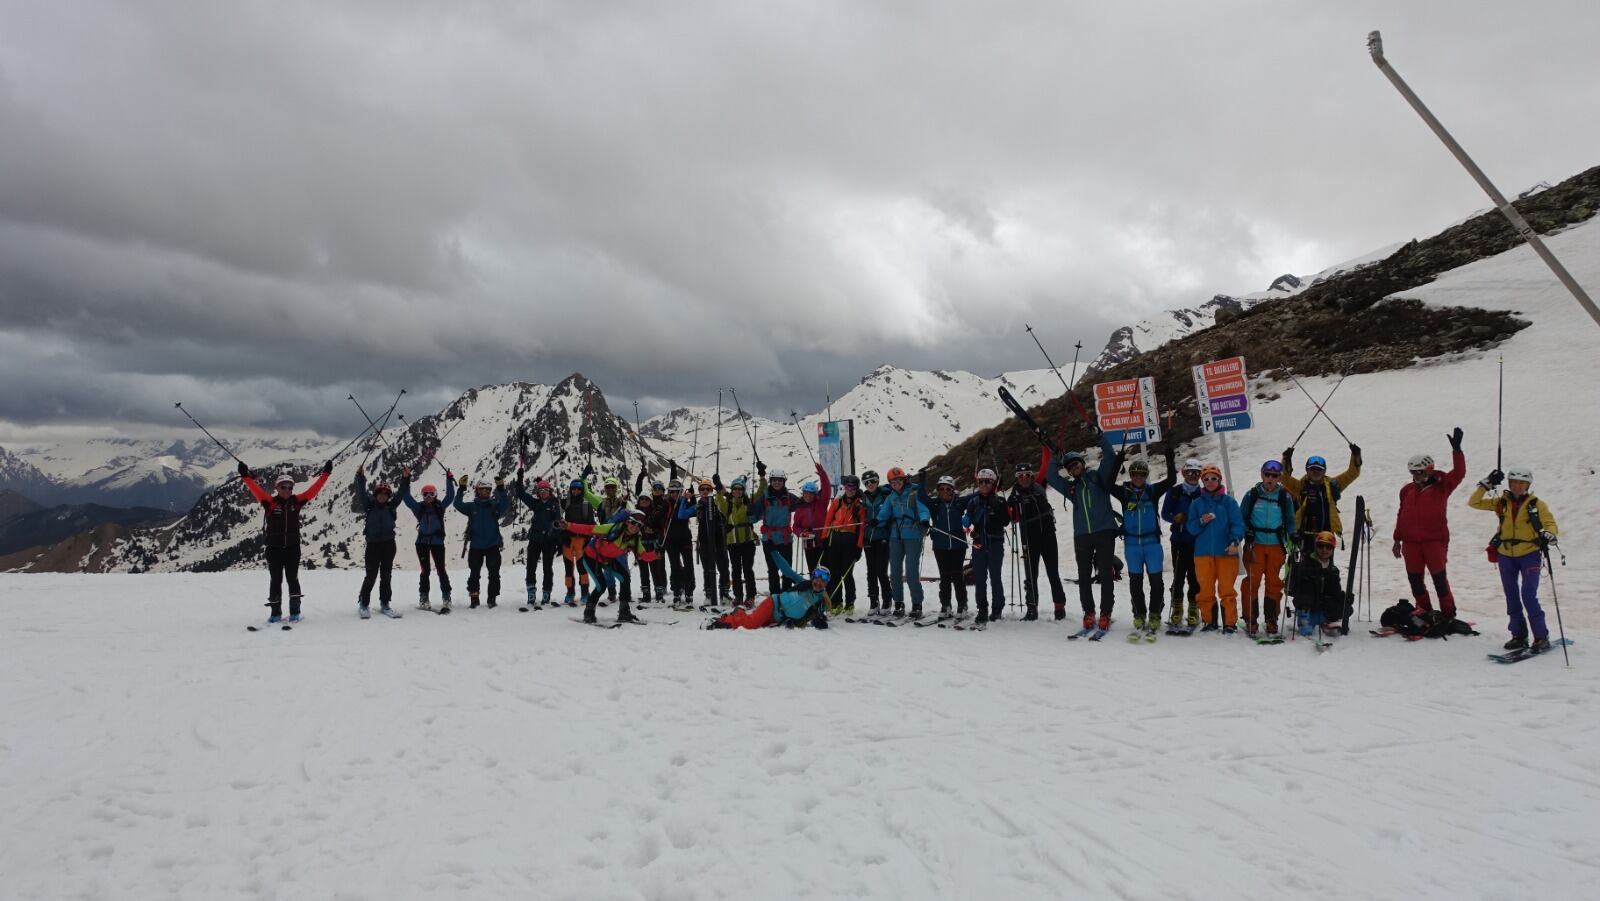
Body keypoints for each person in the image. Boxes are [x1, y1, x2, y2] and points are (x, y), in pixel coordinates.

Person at [1469, 464, 1560, 652]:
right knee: (1511, 595)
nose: (1518, 486)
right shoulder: (1502, 502)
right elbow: (1474, 502)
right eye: (1514, 482)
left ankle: (1541, 637)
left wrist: (1550, 534)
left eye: (1522, 483)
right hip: (1505, 554)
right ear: (1509, 483)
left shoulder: (1537, 505)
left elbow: (1550, 523)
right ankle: (1518, 635)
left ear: (1528, 485)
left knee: (1528, 595)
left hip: (1530, 554)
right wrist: (1485, 485)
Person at [239, 458, 332, 624]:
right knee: (276, 580)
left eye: (290, 487)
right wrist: (245, 476)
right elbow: (254, 488)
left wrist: (326, 474)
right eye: (283, 487)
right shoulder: (269, 502)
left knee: (292, 579)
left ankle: (295, 612)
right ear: (277, 488)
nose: (287, 490)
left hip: (292, 548)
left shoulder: (297, 502)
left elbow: (314, 490)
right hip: (273, 549)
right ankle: (275, 614)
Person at [1046, 431, 1121, 634]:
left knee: (1106, 575)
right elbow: (1051, 476)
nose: (1073, 467)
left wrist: (1100, 437)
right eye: (1069, 467)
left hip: (1104, 531)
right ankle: (1089, 613)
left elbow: (1111, 457)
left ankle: (1105, 613)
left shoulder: (1097, 477)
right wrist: (1055, 457)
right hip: (1082, 537)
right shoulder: (1071, 489)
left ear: (1082, 463)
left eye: (1076, 463)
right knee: (1084, 576)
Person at [1392, 428, 1467, 619]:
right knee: (1415, 580)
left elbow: (1459, 473)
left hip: (1435, 541)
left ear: (1429, 469)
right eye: (1413, 472)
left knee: (1439, 579)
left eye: (1419, 472)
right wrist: (1397, 540)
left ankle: (1448, 613)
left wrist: (1457, 450)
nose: (1416, 476)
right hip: (1410, 543)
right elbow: (1402, 514)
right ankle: (1424, 608)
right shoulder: (1407, 490)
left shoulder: (1442, 486)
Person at [1110, 447, 1178, 637]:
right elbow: (1107, 484)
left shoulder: (1153, 491)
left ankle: (1155, 614)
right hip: (1132, 545)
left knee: (1156, 582)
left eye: (1142, 474)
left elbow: (1171, 480)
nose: (1138, 478)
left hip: (1152, 544)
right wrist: (1118, 462)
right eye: (1135, 474)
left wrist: (1169, 456)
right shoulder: (1124, 493)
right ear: (1131, 475)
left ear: (1147, 476)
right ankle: (1139, 614)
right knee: (1135, 582)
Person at [562, 510, 659, 624]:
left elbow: (644, 555)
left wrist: (656, 554)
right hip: (591, 557)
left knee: (625, 578)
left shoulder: (634, 539)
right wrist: (568, 525)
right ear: (627, 522)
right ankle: (589, 611)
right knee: (601, 585)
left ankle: (624, 611)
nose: (635, 527)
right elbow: (589, 529)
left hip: (607, 559)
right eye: (633, 523)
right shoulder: (613, 528)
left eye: (639, 525)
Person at [1238, 460, 1297, 637]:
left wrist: (1293, 534)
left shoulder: (1284, 497)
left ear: (1279, 478)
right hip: (1255, 544)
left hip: (1276, 545)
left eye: (1275, 476)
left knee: (1273, 582)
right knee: (1252, 582)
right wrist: (1245, 531)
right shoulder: (1252, 495)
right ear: (1262, 475)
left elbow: (1290, 520)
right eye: (1267, 475)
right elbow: (1241, 518)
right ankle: (1251, 618)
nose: (1270, 479)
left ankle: (1271, 619)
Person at [1186, 464, 1245, 633]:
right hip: (1203, 554)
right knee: (1205, 590)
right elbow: (1191, 528)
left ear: (1219, 480)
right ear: (1202, 481)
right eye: (1206, 479)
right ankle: (1209, 621)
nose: (1210, 482)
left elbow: (1237, 524)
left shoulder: (1229, 502)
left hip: (1226, 552)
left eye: (1214, 478)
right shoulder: (1197, 504)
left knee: (1227, 590)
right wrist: (1202, 521)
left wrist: (1235, 542)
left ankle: (1229, 623)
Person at [1011, 455, 1068, 620]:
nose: (1024, 479)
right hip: (1029, 539)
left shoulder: (1040, 485)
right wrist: (1013, 505)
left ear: (1032, 476)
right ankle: (1032, 608)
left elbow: (1045, 466)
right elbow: (1012, 517)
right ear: (1016, 478)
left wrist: (1044, 446)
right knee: (1031, 575)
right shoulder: (1014, 495)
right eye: (1020, 476)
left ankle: (1059, 607)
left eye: (1027, 475)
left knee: (1053, 573)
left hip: (1048, 536)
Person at [1280, 443, 1362, 555]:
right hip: (1306, 535)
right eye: (1312, 469)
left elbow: (1353, 473)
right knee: (1306, 567)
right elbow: (1283, 477)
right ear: (1307, 471)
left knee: (1326, 568)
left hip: (1326, 536)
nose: (1315, 472)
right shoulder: (1301, 486)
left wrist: (1355, 455)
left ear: (1324, 471)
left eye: (1319, 469)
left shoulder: (1334, 485)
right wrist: (1285, 459)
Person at [706, 559, 831, 630]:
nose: (819, 581)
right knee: (751, 623)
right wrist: (773, 551)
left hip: (778, 618)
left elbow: (818, 617)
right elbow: (787, 570)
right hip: (773, 604)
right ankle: (720, 622)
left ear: (826, 584)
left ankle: (739, 612)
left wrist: (820, 620)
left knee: (756, 622)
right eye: (817, 577)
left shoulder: (820, 601)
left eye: (824, 579)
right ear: (813, 577)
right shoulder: (803, 583)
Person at [875, 467, 931, 617]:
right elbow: (884, 514)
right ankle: (898, 602)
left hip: (913, 535)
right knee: (894, 572)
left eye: (898, 480)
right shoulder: (891, 497)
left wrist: (925, 520)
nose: (896, 483)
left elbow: (923, 509)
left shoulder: (914, 493)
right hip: (896, 536)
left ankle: (917, 603)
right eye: (892, 481)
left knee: (911, 572)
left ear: (903, 480)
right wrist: (876, 521)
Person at [963, 468, 1015, 623]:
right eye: (981, 482)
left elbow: (1006, 521)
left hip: (995, 544)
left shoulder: (999, 501)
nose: (984, 485)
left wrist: (998, 507)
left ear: (993, 484)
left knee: (995, 577)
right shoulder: (974, 502)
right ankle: (982, 609)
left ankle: (997, 608)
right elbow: (967, 521)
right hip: (978, 544)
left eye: (988, 482)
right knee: (979, 578)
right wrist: (968, 525)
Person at [453, 474, 513, 608]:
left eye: (488, 490)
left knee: (494, 574)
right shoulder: (472, 507)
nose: (486, 492)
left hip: (492, 545)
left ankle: (492, 598)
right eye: (483, 489)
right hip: (476, 546)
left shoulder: (494, 506)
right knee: (474, 573)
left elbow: (505, 504)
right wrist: (461, 489)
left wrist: (501, 489)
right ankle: (474, 597)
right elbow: (457, 504)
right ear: (477, 491)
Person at [401, 467, 456, 611]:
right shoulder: (419, 508)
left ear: (435, 494)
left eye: (431, 493)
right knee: (425, 571)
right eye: (425, 494)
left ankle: (446, 596)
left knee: (441, 569)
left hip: (437, 542)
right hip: (422, 543)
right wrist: (405, 480)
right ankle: (424, 597)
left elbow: (450, 496)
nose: (428, 496)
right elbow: (407, 498)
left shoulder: (439, 507)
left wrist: (449, 479)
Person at [750, 463, 808, 596]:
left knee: (787, 569)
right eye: (774, 480)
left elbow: (804, 505)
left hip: (785, 539)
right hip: (769, 539)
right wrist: (751, 510)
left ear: (783, 481)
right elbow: (753, 518)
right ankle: (775, 596)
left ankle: (786, 594)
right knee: (772, 570)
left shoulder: (789, 497)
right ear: (771, 481)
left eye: (779, 480)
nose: (777, 482)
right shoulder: (764, 497)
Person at [1160, 458, 1205, 631]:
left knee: (1194, 577)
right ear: (1184, 473)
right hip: (1178, 539)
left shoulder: (1202, 493)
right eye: (1189, 472)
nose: (1193, 475)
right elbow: (1164, 513)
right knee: (1178, 576)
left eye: (1196, 473)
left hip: (1196, 541)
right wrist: (1175, 518)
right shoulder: (1175, 492)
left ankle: (1194, 609)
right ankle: (1177, 608)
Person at [353, 465, 404, 618]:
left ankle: (385, 603)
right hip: (373, 545)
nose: (382, 496)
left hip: (389, 544)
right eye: (380, 494)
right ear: (375, 495)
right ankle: (363, 603)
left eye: (386, 494)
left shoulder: (391, 506)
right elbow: (361, 493)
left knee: (386, 575)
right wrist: (360, 477)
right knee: (371, 575)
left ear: (389, 496)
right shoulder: (369, 506)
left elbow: (401, 494)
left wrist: (406, 479)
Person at [514, 468, 563, 607]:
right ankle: (531, 592)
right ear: (538, 493)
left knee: (548, 568)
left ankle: (546, 593)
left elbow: (559, 524)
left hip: (549, 541)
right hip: (535, 539)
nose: (543, 493)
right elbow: (520, 493)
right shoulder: (536, 503)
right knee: (531, 567)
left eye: (546, 491)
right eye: (541, 491)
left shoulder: (554, 506)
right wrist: (520, 477)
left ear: (550, 491)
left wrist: (559, 543)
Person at [822, 474, 868, 612]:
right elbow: (828, 521)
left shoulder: (860, 505)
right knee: (835, 573)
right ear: (844, 487)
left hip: (850, 541)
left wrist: (859, 547)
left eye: (853, 487)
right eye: (848, 486)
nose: (850, 490)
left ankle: (850, 603)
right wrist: (824, 538)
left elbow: (861, 528)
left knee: (847, 574)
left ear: (857, 488)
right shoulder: (837, 502)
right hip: (835, 538)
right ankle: (836, 602)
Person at [680, 478, 730, 604]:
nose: (705, 491)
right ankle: (709, 594)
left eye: (708, 489)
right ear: (699, 491)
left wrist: (722, 492)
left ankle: (724, 594)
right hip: (704, 541)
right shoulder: (697, 506)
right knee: (707, 569)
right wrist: (685, 499)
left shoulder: (717, 503)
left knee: (723, 568)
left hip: (719, 540)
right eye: (702, 489)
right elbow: (681, 515)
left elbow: (727, 507)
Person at [925, 474, 969, 617]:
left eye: (948, 488)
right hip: (940, 545)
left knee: (957, 576)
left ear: (953, 489)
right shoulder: (935, 504)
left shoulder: (959, 503)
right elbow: (920, 498)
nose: (945, 491)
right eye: (941, 488)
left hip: (958, 545)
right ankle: (946, 605)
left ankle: (962, 605)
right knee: (944, 577)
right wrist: (921, 481)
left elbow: (978, 496)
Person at [1288, 531, 1346, 636]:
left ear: (1332, 549)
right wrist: (1316, 573)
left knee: (1347, 608)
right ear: (1316, 547)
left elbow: (1335, 592)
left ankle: (1324, 621)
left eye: (1328, 547)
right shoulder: (1306, 562)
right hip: (1308, 604)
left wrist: (1345, 598)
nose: (1324, 550)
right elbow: (1294, 586)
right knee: (1307, 587)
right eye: (1321, 546)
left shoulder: (1333, 569)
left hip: (1322, 604)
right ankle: (1304, 620)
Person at [718, 474, 759, 605]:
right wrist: (719, 489)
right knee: (736, 570)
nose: (737, 491)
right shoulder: (728, 505)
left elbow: (762, 491)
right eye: (734, 489)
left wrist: (762, 477)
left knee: (748, 569)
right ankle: (738, 596)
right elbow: (719, 502)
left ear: (743, 491)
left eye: (740, 489)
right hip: (733, 542)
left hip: (748, 541)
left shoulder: (749, 503)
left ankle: (751, 596)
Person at [634, 468, 671, 604]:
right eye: (642, 499)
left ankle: (659, 593)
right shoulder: (635, 513)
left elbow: (659, 525)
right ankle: (646, 594)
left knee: (656, 570)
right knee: (644, 571)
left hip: (654, 542)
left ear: (650, 500)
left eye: (646, 499)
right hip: (641, 545)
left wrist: (651, 530)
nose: (644, 500)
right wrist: (641, 476)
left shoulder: (656, 509)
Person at [860, 470, 893, 613]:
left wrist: (878, 523)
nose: (870, 484)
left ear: (877, 481)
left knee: (881, 570)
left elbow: (890, 515)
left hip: (882, 537)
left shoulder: (886, 495)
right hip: (868, 538)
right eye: (866, 483)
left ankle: (887, 599)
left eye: (872, 481)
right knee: (871, 571)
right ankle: (874, 600)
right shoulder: (863, 498)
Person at [559, 477, 596, 604]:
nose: (575, 491)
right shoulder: (565, 503)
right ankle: (570, 592)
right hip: (568, 540)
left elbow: (591, 524)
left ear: (582, 490)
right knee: (568, 569)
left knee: (582, 568)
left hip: (581, 540)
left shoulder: (586, 505)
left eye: (579, 489)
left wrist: (588, 539)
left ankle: (585, 593)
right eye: (573, 489)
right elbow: (557, 514)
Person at [663, 467, 696, 605]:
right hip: (670, 540)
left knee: (689, 565)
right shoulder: (665, 504)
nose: (675, 494)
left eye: (678, 491)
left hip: (684, 538)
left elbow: (694, 509)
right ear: (669, 492)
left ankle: (689, 591)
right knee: (674, 566)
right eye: (672, 492)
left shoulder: (685, 502)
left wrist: (692, 497)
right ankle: (677, 591)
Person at [791, 470, 834, 572]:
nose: (808, 496)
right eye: (806, 493)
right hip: (809, 543)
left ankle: (828, 587)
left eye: (811, 494)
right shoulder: (800, 508)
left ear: (815, 494)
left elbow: (827, 489)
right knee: (813, 569)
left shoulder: (821, 503)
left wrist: (823, 475)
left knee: (826, 568)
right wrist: (801, 533)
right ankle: (814, 587)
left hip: (824, 541)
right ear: (803, 493)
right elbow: (795, 526)